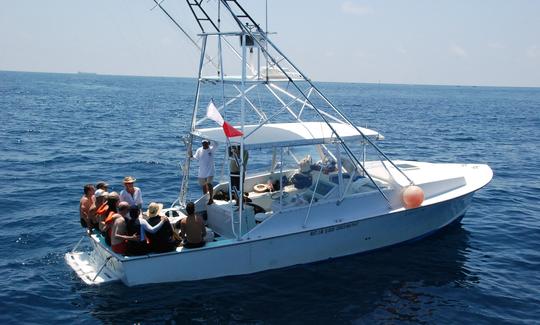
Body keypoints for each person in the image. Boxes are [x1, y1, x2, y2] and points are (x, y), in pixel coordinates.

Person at [192, 140, 217, 205]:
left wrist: (210, 141)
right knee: (203, 185)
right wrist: (191, 156)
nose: (204, 145)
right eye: (203, 144)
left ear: (208, 144)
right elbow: (195, 157)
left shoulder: (211, 149)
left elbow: (216, 144)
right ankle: (205, 197)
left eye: (206, 144)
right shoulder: (199, 150)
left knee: (209, 184)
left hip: (210, 171)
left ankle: (211, 198)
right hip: (202, 171)